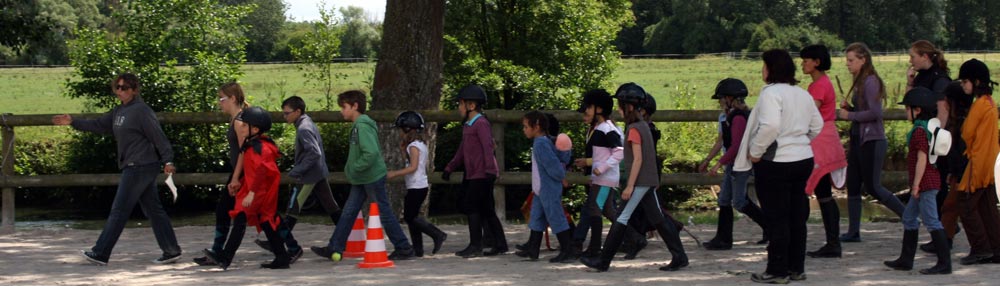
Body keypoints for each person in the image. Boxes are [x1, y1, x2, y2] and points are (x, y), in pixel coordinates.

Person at [53, 73, 182, 266]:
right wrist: (73, 121)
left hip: (139, 166)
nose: (120, 91)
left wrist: (168, 160)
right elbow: (98, 125)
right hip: (137, 166)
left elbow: (158, 136)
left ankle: (101, 253)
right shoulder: (119, 112)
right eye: (118, 87)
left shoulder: (141, 111)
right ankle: (171, 250)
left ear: (134, 90)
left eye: (125, 88)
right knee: (154, 210)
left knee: (119, 210)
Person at [581, 83, 688, 272]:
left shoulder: (634, 129)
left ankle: (603, 261)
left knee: (622, 217)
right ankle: (680, 256)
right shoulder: (643, 125)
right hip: (647, 180)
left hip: (639, 181)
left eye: (621, 105)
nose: (618, 109)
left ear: (629, 106)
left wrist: (630, 185)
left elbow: (638, 159)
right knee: (658, 218)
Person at [736, 49, 823, 283]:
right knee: (797, 215)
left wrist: (756, 152)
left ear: (771, 69)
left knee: (777, 217)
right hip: (803, 159)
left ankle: (777, 270)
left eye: (764, 66)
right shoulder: (801, 93)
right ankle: (796, 267)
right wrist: (800, 141)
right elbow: (817, 125)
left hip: (776, 162)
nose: (762, 71)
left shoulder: (771, 94)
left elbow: (770, 126)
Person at [311, 90, 415, 262]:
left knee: (384, 213)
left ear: (355, 106)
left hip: (370, 177)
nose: (341, 111)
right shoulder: (360, 126)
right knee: (349, 212)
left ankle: (404, 247)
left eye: (344, 107)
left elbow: (371, 153)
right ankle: (334, 247)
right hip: (363, 178)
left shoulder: (362, 126)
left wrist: (354, 168)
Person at [203, 106, 294, 270]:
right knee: (266, 221)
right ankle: (282, 257)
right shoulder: (251, 144)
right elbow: (246, 163)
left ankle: (225, 257)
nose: (242, 127)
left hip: (259, 190)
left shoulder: (260, 148)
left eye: (245, 125)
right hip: (257, 189)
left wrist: (251, 193)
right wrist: (237, 180)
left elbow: (261, 172)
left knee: (241, 218)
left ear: (256, 129)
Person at [253, 96, 342, 260]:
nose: (284, 116)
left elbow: (314, 153)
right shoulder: (306, 122)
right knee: (331, 206)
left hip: (308, 176)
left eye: (287, 113)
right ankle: (345, 237)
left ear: (298, 111)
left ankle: (280, 243)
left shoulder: (303, 128)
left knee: (293, 209)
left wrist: (298, 170)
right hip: (318, 172)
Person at [838, 42, 906, 242]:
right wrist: (851, 107)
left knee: (874, 186)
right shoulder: (862, 81)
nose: (848, 64)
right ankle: (853, 231)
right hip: (860, 139)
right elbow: (865, 110)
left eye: (851, 60)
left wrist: (849, 114)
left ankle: (908, 216)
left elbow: (875, 113)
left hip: (872, 140)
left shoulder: (870, 81)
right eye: (847, 61)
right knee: (853, 184)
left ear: (863, 59)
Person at [883, 86, 951, 275]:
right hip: (925, 182)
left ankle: (944, 263)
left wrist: (915, 185)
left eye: (908, 108)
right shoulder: (926, 128)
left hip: (925, 183)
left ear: (918, 109)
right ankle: (906, 259)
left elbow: (922, 159)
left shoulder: (920, 132)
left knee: (932, 221)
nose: (906, 112)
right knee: (909, 218)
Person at [441, 84, 508, 258]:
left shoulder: (481, 123)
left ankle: (475, 245)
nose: (459, 108)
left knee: (471, 206)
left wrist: (489, 170)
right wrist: (450, 166)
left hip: (482, 174)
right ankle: (500, 244)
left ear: (471, 105)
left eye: (461, 104)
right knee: (487, 209)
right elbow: (463, 150)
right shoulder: (468, 126)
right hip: (474, 174)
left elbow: (487, 147)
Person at [701, 78, 768, 251]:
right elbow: (722, 141)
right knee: (724, 199)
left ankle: (769, 227)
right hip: (733, 162)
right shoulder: (729, 116)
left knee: (738, 201)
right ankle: (723, 238)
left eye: (722, 98)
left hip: (740, 164)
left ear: (730, 98)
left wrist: (718, 164)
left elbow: (736, 145)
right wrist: (708, 159)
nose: (720, 102)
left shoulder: (738, 118)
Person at [800, 45, 848, 258]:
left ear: (817, 62)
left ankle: (831, 242)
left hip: (820, 141)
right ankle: (833, 242)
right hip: (825, 139)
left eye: (806, 60)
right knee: (824, 194)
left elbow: (808, 113)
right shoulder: (819, 84)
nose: (803, 64)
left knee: (817, 191)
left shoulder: (819, 86)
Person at [193, 82, 248, 266]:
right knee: (224, 211)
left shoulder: (240, 121)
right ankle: (216, 251)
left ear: (233, 98)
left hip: (241, 174)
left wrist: (235, 178)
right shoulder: (235, 119)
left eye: (222, 99)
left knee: (247, 215)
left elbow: (244, 151)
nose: (219, 103)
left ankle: (289, 247)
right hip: (237, 172)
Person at [954, 59, 1000, 265]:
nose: (963, 85)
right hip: (990, 159)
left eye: (965, 81)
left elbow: (967, 132)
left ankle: (981, 248)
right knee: (987, 206)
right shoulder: (990, 102)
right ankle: (996, 248)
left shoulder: (980, 105)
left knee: (966, 204)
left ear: (976, 81)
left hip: (978, 161)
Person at [514, 111, 576, 262]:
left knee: (556, 218)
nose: (524, 129)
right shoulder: (542, 141)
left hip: (547, 189)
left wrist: (560, 174)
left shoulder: (541, 144)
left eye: (526, 126)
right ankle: (533, 249)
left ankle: (568, 250)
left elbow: (553, 167)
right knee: (537, 217)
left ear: (536, 127)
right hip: (540, 189)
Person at [387, 111, 448, 257]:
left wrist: (395, 173)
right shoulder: (419, 145)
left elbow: (413, 167)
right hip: (418, 186)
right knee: (411, 217)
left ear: (407, 129)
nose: (400, 133)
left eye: (401, 130)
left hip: (416, 186)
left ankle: (437, 234)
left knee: (411, 217)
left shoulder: (414, 146)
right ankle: (418, 249)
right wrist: (403, 150)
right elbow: (412, 162)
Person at [921, 81, 970, 254]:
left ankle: (980, 247)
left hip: (965, 171)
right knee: (951, 207)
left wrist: (956, 171)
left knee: (958, 208)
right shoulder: (958, 122)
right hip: (960, 171)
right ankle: (945, 240)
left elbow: (961, 152)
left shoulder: (962, 124)